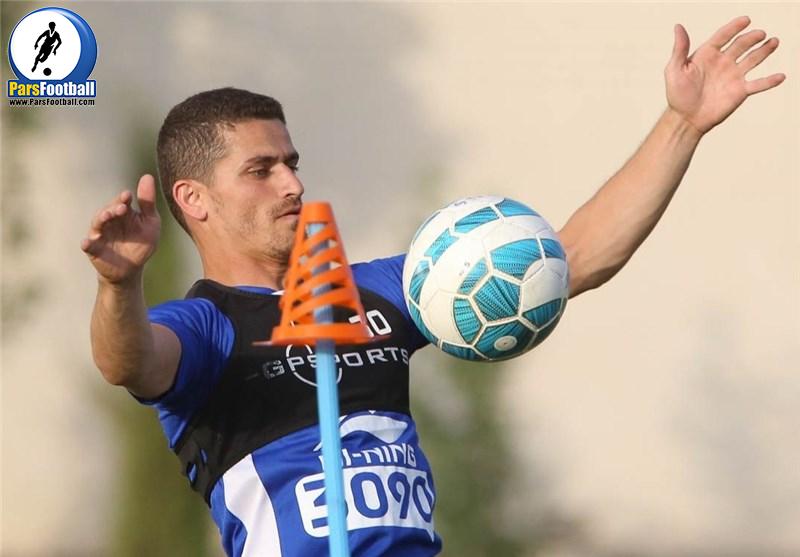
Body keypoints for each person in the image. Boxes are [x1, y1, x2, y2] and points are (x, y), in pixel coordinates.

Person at [81, 16, 784, 557]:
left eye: (292, 162)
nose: (293, 183)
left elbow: (574, 255)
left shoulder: (379, 290)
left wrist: (683, 124)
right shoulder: (204, 328)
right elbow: (129, 361)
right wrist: (120, 283)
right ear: (194, 199)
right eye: (261, 170)